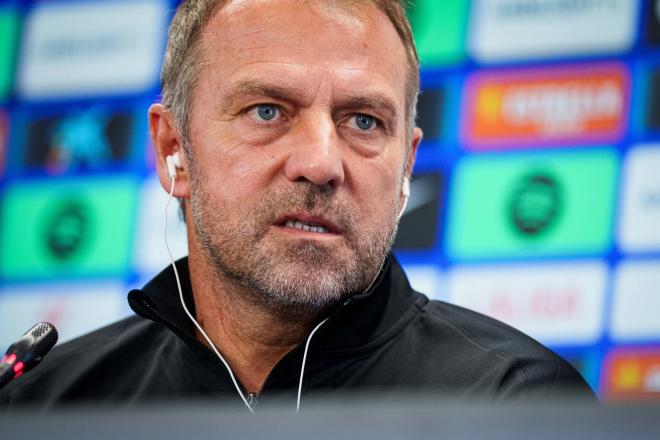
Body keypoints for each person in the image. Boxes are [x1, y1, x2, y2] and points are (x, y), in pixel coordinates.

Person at [0, 0, 594, 411]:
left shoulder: (516, 403)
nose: (320, 163)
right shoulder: (46, 403)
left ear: (407, 165)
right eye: (267, 111)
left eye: (363, 121)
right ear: (173, 148)